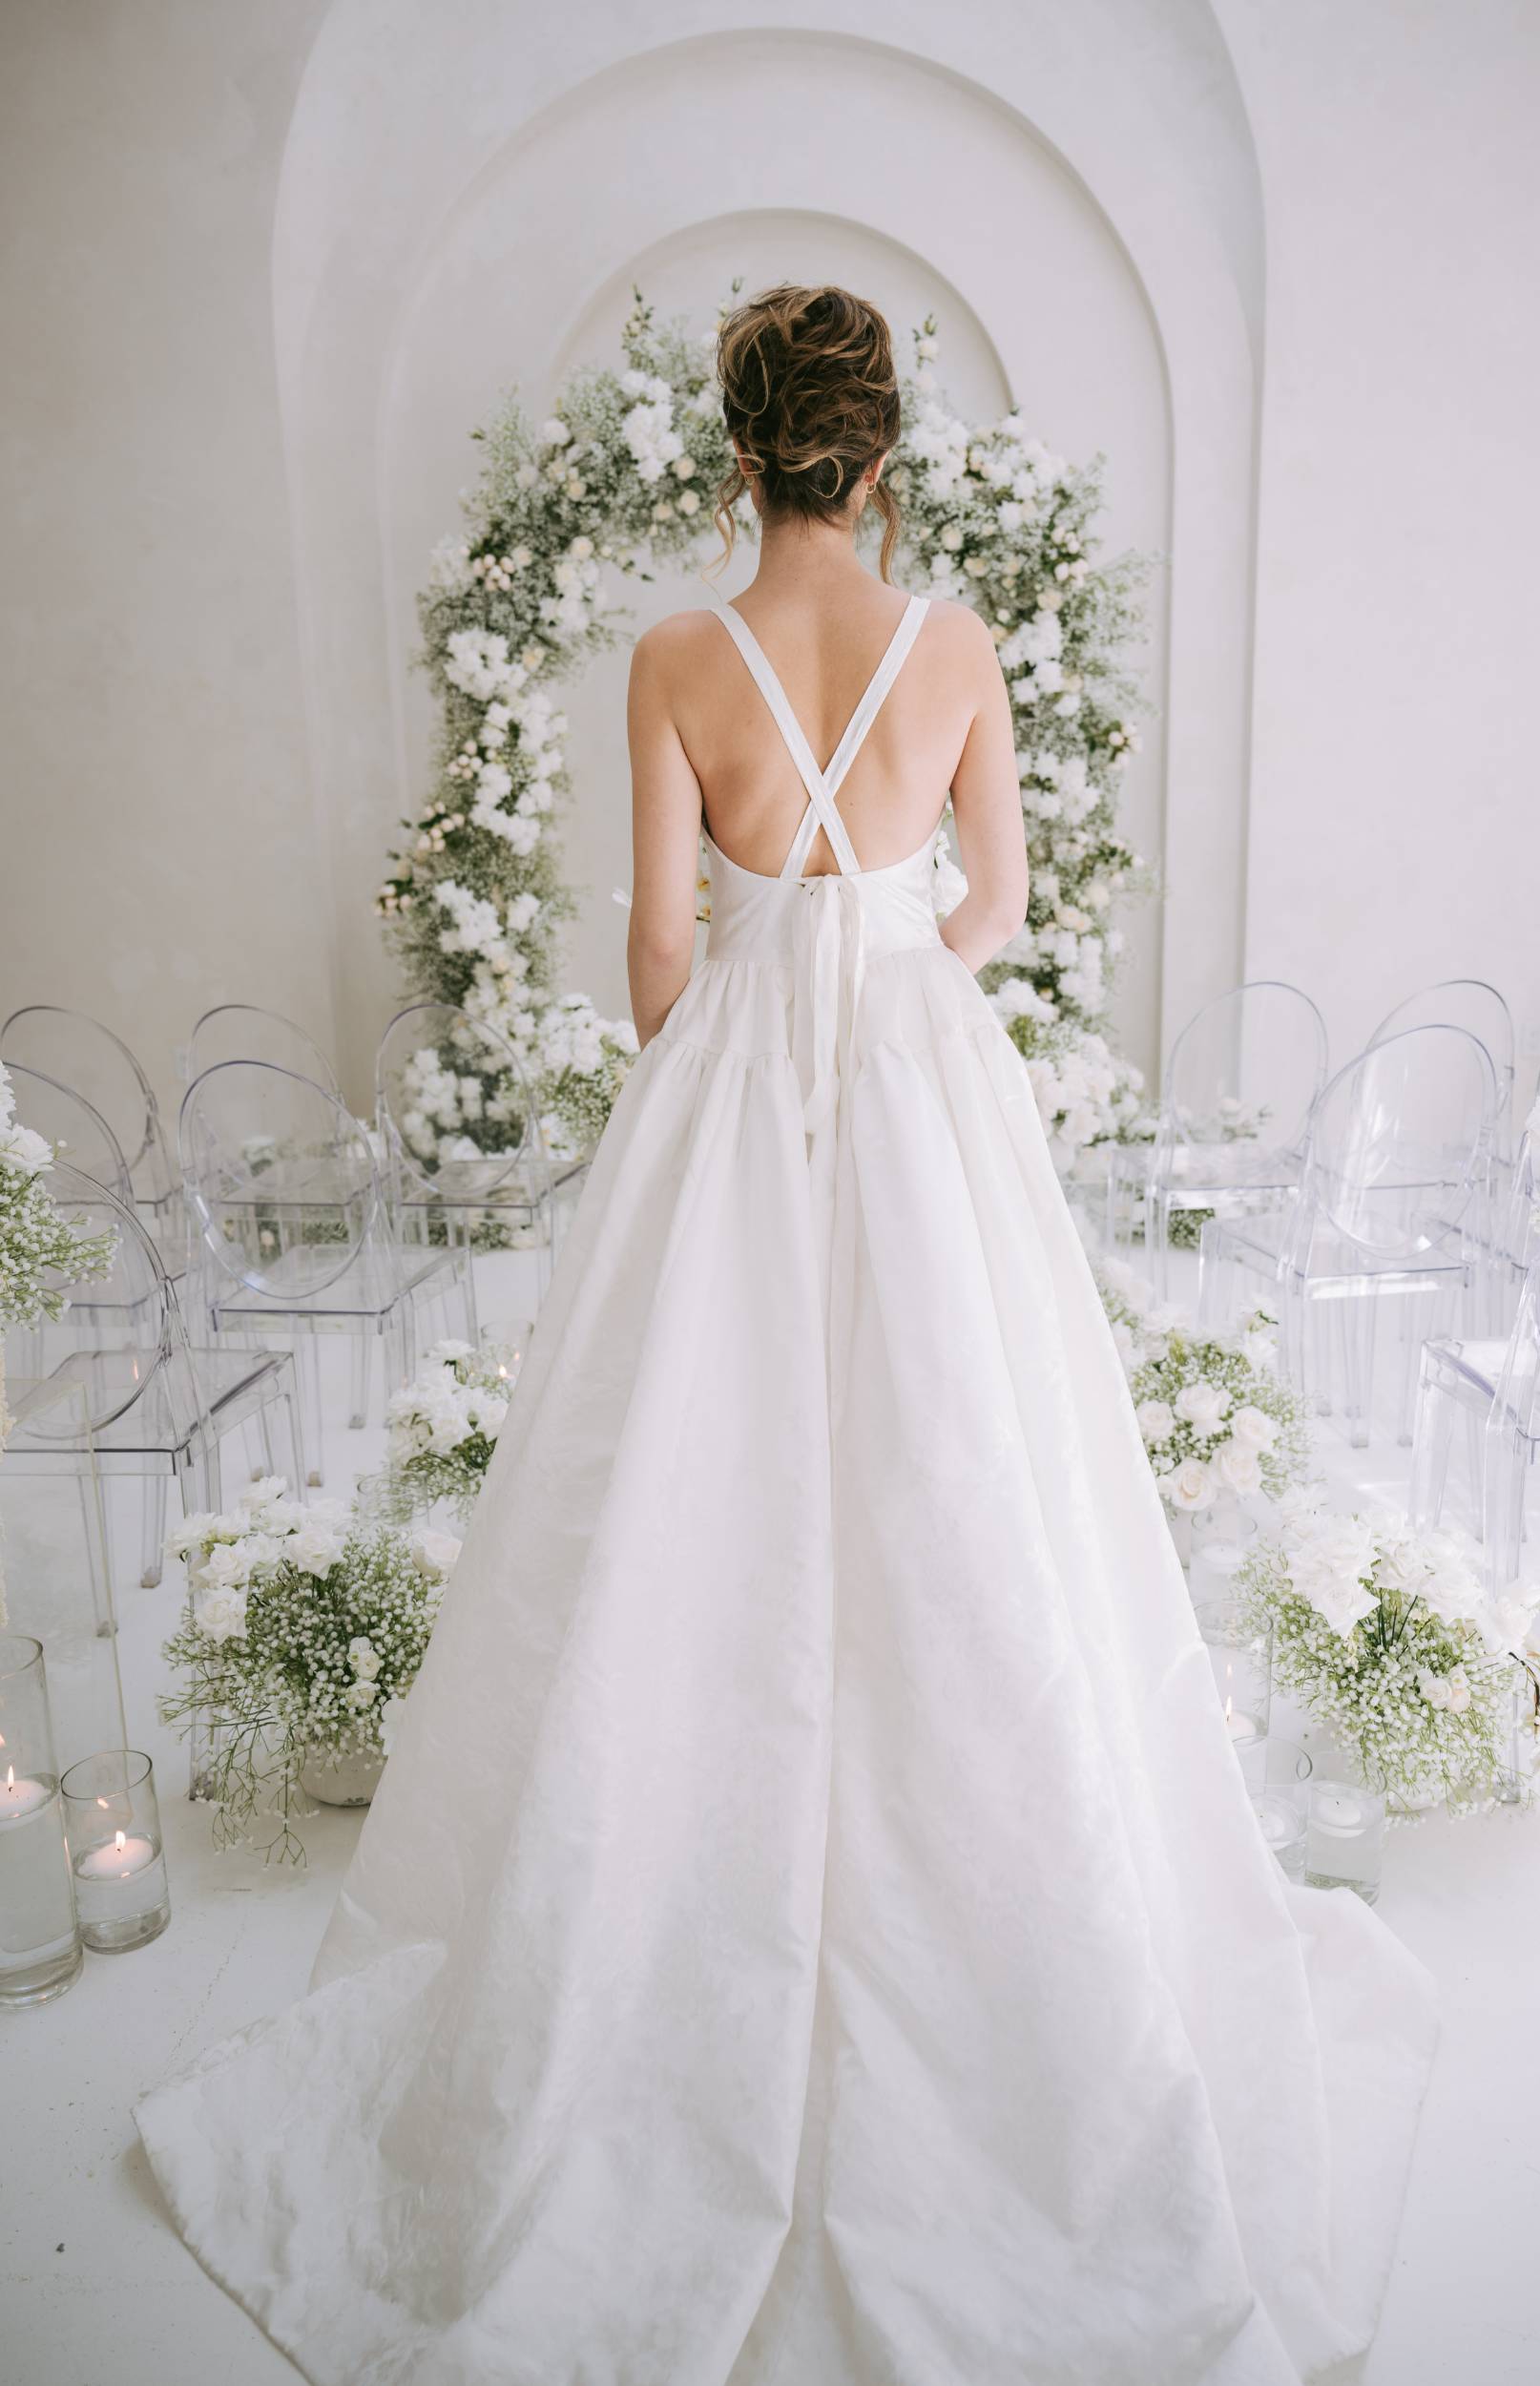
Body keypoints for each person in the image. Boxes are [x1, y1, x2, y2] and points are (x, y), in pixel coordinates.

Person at [137, 284, 1435, 2386]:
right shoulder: (952, 649)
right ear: (882, 454)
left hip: (737, 1090)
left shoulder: (668, 658)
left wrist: (744, 1031)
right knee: (966, 1477)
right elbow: (997, 908)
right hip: (929, 1088)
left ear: (733, 454)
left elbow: (657, 949)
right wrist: (880, 956)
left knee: (689, 1484)